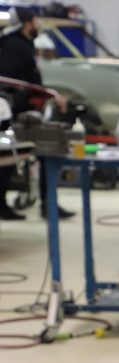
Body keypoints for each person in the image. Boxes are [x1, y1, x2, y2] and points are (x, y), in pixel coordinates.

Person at [0, 7, 73, 220]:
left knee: (35, 155)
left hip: (25, 111)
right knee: (14, 158)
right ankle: (45, 205)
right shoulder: (14, 46)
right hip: (15, 114)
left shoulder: (22, 44)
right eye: (35, 20)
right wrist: (49, 94)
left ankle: (47, 204)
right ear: (27, 23)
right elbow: (14, 83)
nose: (38, 24)